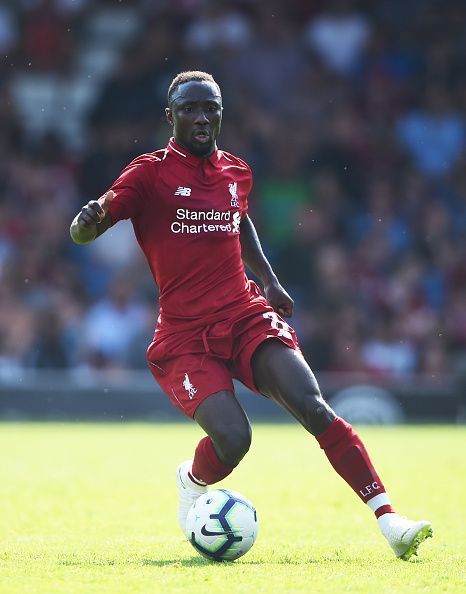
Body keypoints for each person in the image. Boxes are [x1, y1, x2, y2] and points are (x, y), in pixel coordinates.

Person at [70, 71, 432, 560]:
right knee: (236, 439)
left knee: (313, 405)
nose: (202, 117)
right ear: (170, 116)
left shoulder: (236, 171)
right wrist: (84, 224)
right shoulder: (148, 174)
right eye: (191, 108)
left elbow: (240, 223)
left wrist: (270, 279)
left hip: (245, 316)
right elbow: (89, 227)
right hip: (184, 336)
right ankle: (193, 479)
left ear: (221, 112)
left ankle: (391, 522)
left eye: (211, 108)